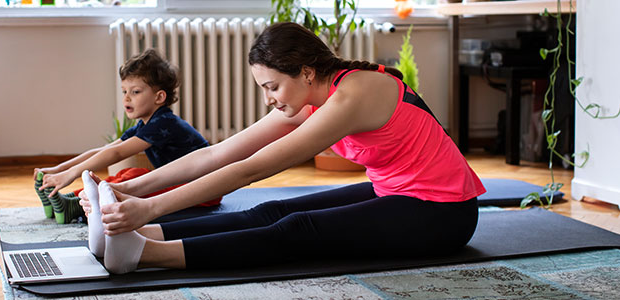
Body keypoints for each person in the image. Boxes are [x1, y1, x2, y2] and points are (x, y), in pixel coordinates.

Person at [81, 22, 486, 274]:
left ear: (306, 72)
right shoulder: (311, 94)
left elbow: (250, 170)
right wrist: (128, 193)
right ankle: (143, 234)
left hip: (444, 211)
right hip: (398, 192)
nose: (268, 99)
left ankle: (146, 254)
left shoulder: (352, 96)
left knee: (298, 228)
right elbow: (219, 154)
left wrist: (150, 203)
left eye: (271, 87)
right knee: (272, 210)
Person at [35, 48, 217, 224]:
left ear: (159, 97)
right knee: (127, 174)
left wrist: (71, 174)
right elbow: (108, 149)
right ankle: (69, 199)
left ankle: (75, 206)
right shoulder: (146, 123)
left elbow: (117, 154)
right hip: (178, 185)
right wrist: (60, 169)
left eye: (135, 92)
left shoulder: (164, 123)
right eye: (124, 91)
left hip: (202, 191)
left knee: (136, 177)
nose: (126, 98)